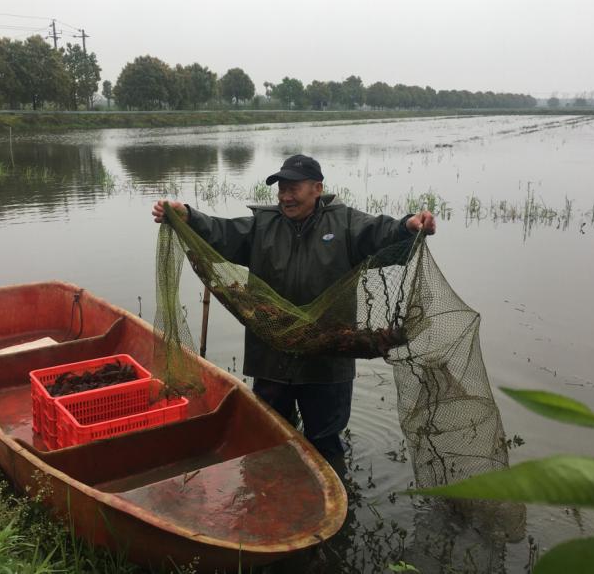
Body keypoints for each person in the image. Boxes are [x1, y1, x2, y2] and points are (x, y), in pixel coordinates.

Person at [152, 154, 435, 464]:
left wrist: (409, 227)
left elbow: (383, 235)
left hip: (327, 362)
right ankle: (276, 495)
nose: (285, 196)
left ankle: (336, 505)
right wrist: (189, 217)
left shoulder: (346, 224)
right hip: (272, 359)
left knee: (325, 442)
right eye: (281, 189)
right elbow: (223, 233)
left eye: (293, 188)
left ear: (317, 187)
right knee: (271, 438)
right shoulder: (264, 225)